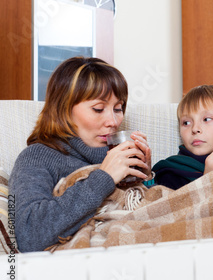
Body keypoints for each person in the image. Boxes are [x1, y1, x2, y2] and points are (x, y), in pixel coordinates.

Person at [9, 57, 153, 252]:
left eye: (118, 109)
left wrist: (146, 177)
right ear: (64, 110)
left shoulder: (123, 156)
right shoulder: (37, 157)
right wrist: (105, 178)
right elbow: (30, 234)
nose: (113, 121)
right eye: (98, 109)